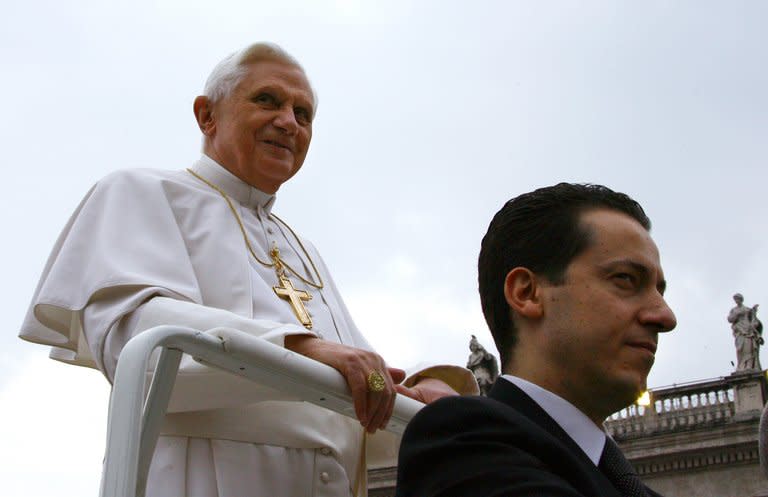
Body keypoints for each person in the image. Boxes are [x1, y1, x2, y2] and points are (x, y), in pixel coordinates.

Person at [20, 42, 477, 497]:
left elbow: (360, 374)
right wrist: (302, 350)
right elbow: (136, 344)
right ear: (206, 115)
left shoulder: (304, 249)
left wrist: (418, 390)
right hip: (196, 477)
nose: (288, 122)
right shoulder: (141, 191)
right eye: (267, 100)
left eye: (303, 114)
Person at [396, 183, 677, 497]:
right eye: (625, 279)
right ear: (526, 293)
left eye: (659, 291)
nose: (665, 316)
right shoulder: (461, 446)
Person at [728, 293, 763, 371]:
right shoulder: (734, 310)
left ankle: (749, 366)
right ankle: (741, 365)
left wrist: (754, 311)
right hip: (739, 330)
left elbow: (754, 319)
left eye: (737, 298)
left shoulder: (747, 309)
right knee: (739, 349)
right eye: (735, 299)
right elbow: (730, 319)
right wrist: (736, 314)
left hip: (748, 329)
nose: (736, 300)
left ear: (741, 299)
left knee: (749, 348)